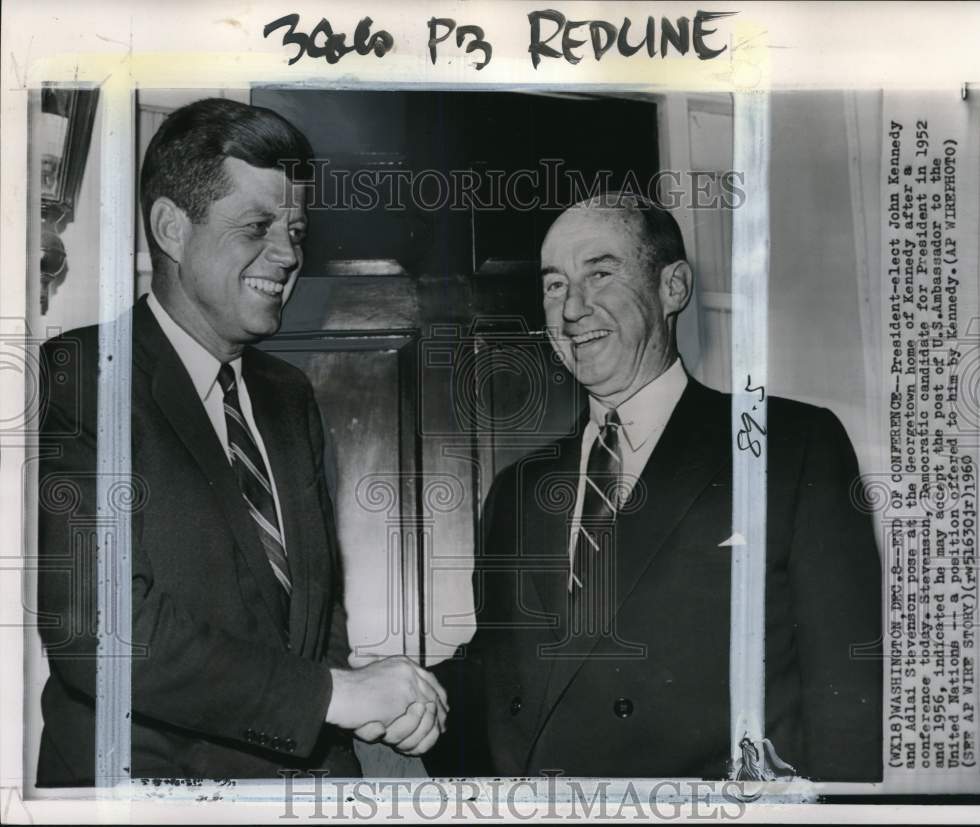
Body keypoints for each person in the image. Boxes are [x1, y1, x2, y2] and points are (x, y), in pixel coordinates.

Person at [35, 98, 446, 786]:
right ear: (172, 228)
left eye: (295, 228)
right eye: (258, 225)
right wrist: (337, 696)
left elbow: (315, 614)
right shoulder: (80, 377)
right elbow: (100, 631)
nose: (289, 254)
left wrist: (369, 703)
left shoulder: (290, 397)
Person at [428, 194, 882, 781]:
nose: (572, 310)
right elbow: (504, 674)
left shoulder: (786, 446)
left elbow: (847, 689)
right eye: (555, 285)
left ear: (673, 288)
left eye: (600, 273)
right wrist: (388, 695)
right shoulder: (518, 489)